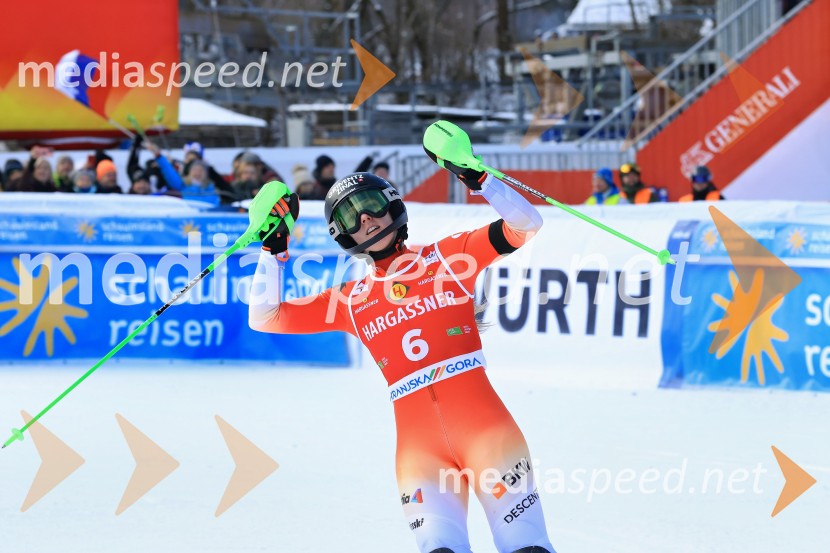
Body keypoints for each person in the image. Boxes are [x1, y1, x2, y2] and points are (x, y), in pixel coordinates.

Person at [248, 162, 556, 553]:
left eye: (370, 205)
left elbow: (526, 225)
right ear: (341, 233)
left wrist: (481, 180)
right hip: (420, 454)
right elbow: (265, 317)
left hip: (489, 437)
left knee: (527, 547)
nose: (364, 219)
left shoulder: (449, 258)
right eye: (349, 215)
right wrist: (272, 251)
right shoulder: (349, 300)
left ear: (392, 205)